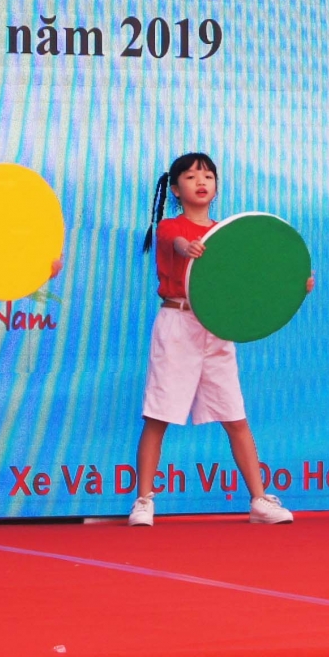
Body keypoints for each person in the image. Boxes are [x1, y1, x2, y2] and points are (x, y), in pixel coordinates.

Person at [129, 152, 302, 528]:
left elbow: (250, 281)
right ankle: (143, 501)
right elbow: (176, 243)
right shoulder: (170, 227)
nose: (201, 182)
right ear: (176, 189)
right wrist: (187, 248)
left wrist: (293, 286)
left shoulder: (226, 233)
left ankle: (259, 500)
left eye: (208, 176)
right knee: (158, 416)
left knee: (236, 416)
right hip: (177, 325)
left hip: (217, 329)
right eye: (191, 177)